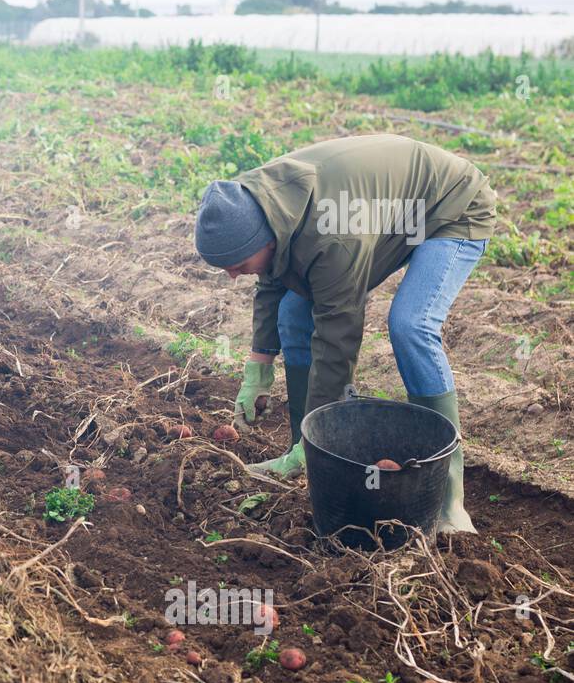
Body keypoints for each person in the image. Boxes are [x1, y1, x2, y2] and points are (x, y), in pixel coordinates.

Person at [194, 134, 496, 534]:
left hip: (451, 206)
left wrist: (319, 431)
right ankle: (299, 455)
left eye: (236, 263)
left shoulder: (330, 236)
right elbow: (270, 277)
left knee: (410, 325)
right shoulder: (254, 203)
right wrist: (259, 366)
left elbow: (338, 334)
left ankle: (447, 498)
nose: (233, 275)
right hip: (384, 208)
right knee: (291, 312)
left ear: (264, 240)